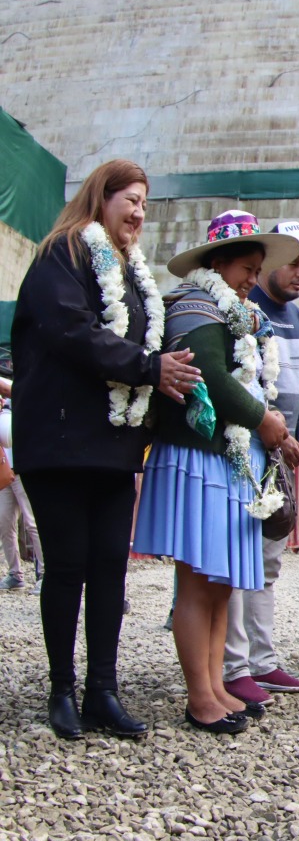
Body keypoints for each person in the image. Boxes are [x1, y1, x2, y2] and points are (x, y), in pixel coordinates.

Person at [12, 159, 202, 739]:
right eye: (131, 199)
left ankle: (104, 689)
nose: (139, 213)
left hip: (115, 446)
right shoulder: (62, 254)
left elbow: (147, 335)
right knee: (68, 567)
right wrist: (150, 367)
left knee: (109, 571)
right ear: (102, 196)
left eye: (146, 203)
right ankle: (61, 689)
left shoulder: (129, 268)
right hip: (62, 440)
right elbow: (72, 331)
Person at [134, 210, 299, 734]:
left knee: (218, 585)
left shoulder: (235, 311)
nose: (254, 279)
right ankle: (199, 694)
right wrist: (261, 418)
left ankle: (213, 684)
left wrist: (267, 424)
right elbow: (205, 372)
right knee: (198, 583)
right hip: (199, 457)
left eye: (257, 269)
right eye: (247, 268)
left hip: (224, 460)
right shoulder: (193, 304)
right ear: (219, 262)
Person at [220, 221, 299, 707]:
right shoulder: (242, 308)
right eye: (293, 261)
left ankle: (261, 661)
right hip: (244, 448)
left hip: (283, 455)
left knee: (268, 563)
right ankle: (232, 665)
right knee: (238, 561)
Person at [0, 398, 42, 592]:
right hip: (4, 471)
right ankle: (14, 573)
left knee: (32, 523)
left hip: (23, 471)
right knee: (5, 523)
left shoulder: (24, 399)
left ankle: (44, 572)